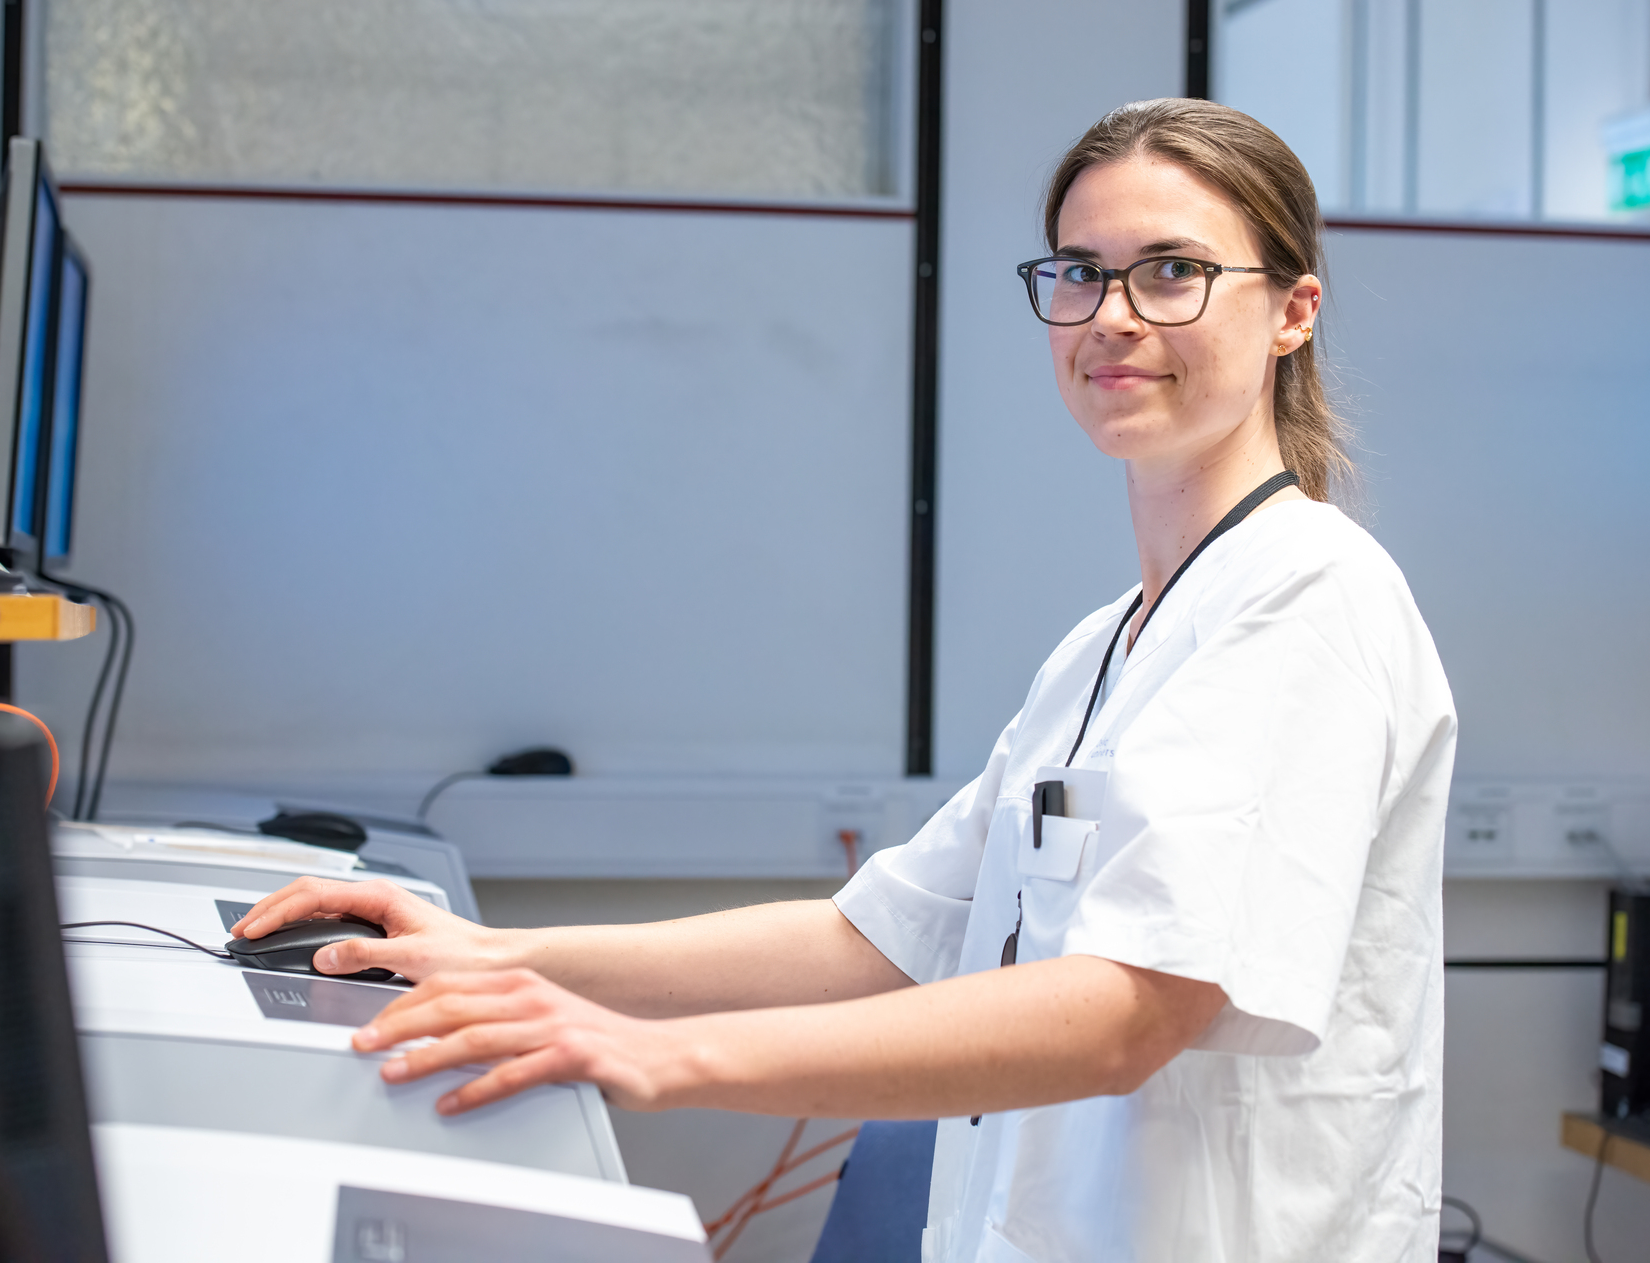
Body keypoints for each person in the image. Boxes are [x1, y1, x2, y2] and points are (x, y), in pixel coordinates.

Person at [234, 98, 1456, 1263]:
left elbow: (1134, 1010)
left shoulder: (1310, 600)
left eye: (1173, 270)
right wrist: (503, 956)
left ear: (1292, 311)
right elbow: (881, 937)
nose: (1112, 316)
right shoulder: (1107, 646)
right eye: (1080, 272)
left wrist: (660, 1056)